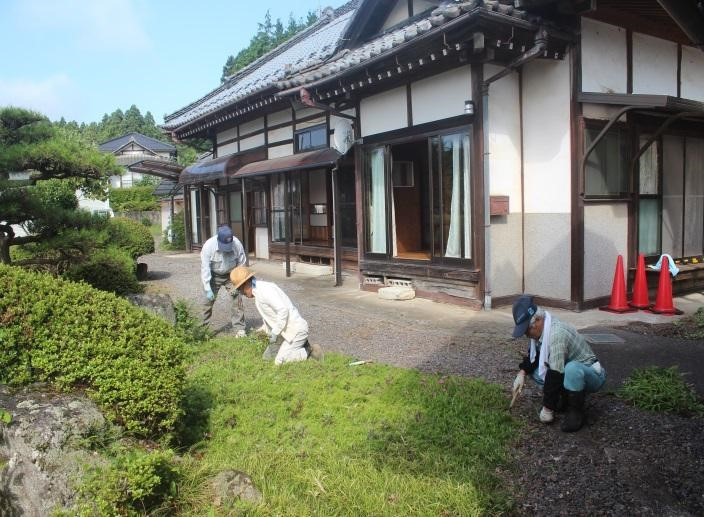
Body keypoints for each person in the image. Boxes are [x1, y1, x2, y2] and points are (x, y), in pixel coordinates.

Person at [511, 295, 606, 432]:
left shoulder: (556, 333)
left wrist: (547, 408)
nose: (526, 335)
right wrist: (522, 373)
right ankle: (565, 398)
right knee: (536, 372)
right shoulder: (542, 330)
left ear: (537, 320)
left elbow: (555, 372)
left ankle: (576, 411)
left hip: (592, 374)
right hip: (567, 372)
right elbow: (535, 357)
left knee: (571, 369)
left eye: (527, 330)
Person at [229, 266, 322, 365]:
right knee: (267, 358)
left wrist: (275, 332)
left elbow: (283, 310)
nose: (242, 294)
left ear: (246, 284)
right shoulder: (258, 292)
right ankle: (297, 348)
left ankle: (308, 351)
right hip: (283, 331)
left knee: (279, 361)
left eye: (241, 290)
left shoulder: (265, 290)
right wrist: (260, 332)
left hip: (296, 330)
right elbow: (271, 319)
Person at [200, 226, 247, 337]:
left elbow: (242, 263)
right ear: (218, 240)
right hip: (213, 275)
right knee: (207, 302)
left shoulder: (236, 244)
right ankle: (202, 329)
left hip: (231, 275)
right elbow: (205, 268)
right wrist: (207, 288)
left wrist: (240, 281)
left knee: (237, 299)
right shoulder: (208, 246)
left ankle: (240, 329)